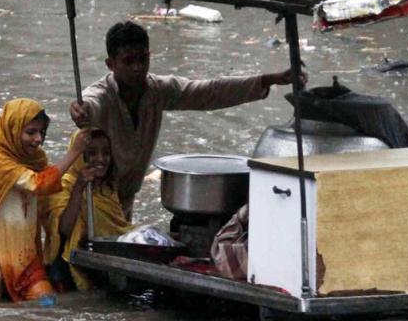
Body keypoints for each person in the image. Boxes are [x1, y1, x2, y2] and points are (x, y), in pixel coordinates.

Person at [69, 20, 303, 218]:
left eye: (143, 59)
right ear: (111, 64)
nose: (138, 68)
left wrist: (268, 80)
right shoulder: (102, 95)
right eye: (128, 61)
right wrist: (80, 110)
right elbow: (90, 103)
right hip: (90, 199)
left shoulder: (158, 90)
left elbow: (209, 92)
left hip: (125, 197)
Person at [0, 98, 89, 305]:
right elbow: (37, 184)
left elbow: (47, 205)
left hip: (24, 257)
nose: (38, 139)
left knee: (47, 303)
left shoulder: (37, 160)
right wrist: (74, 152)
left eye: (42, 133)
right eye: (30, 132)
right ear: (12, 128)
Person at [44, 128, 134, 291]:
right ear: (79, 156)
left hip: (104, 261)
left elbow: (117, 228)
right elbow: (63, 229)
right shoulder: (64, 185)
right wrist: (79, 188)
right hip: (69, 268)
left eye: (106, 153)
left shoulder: (106, 188)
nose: (100, 159)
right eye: (92, 153)